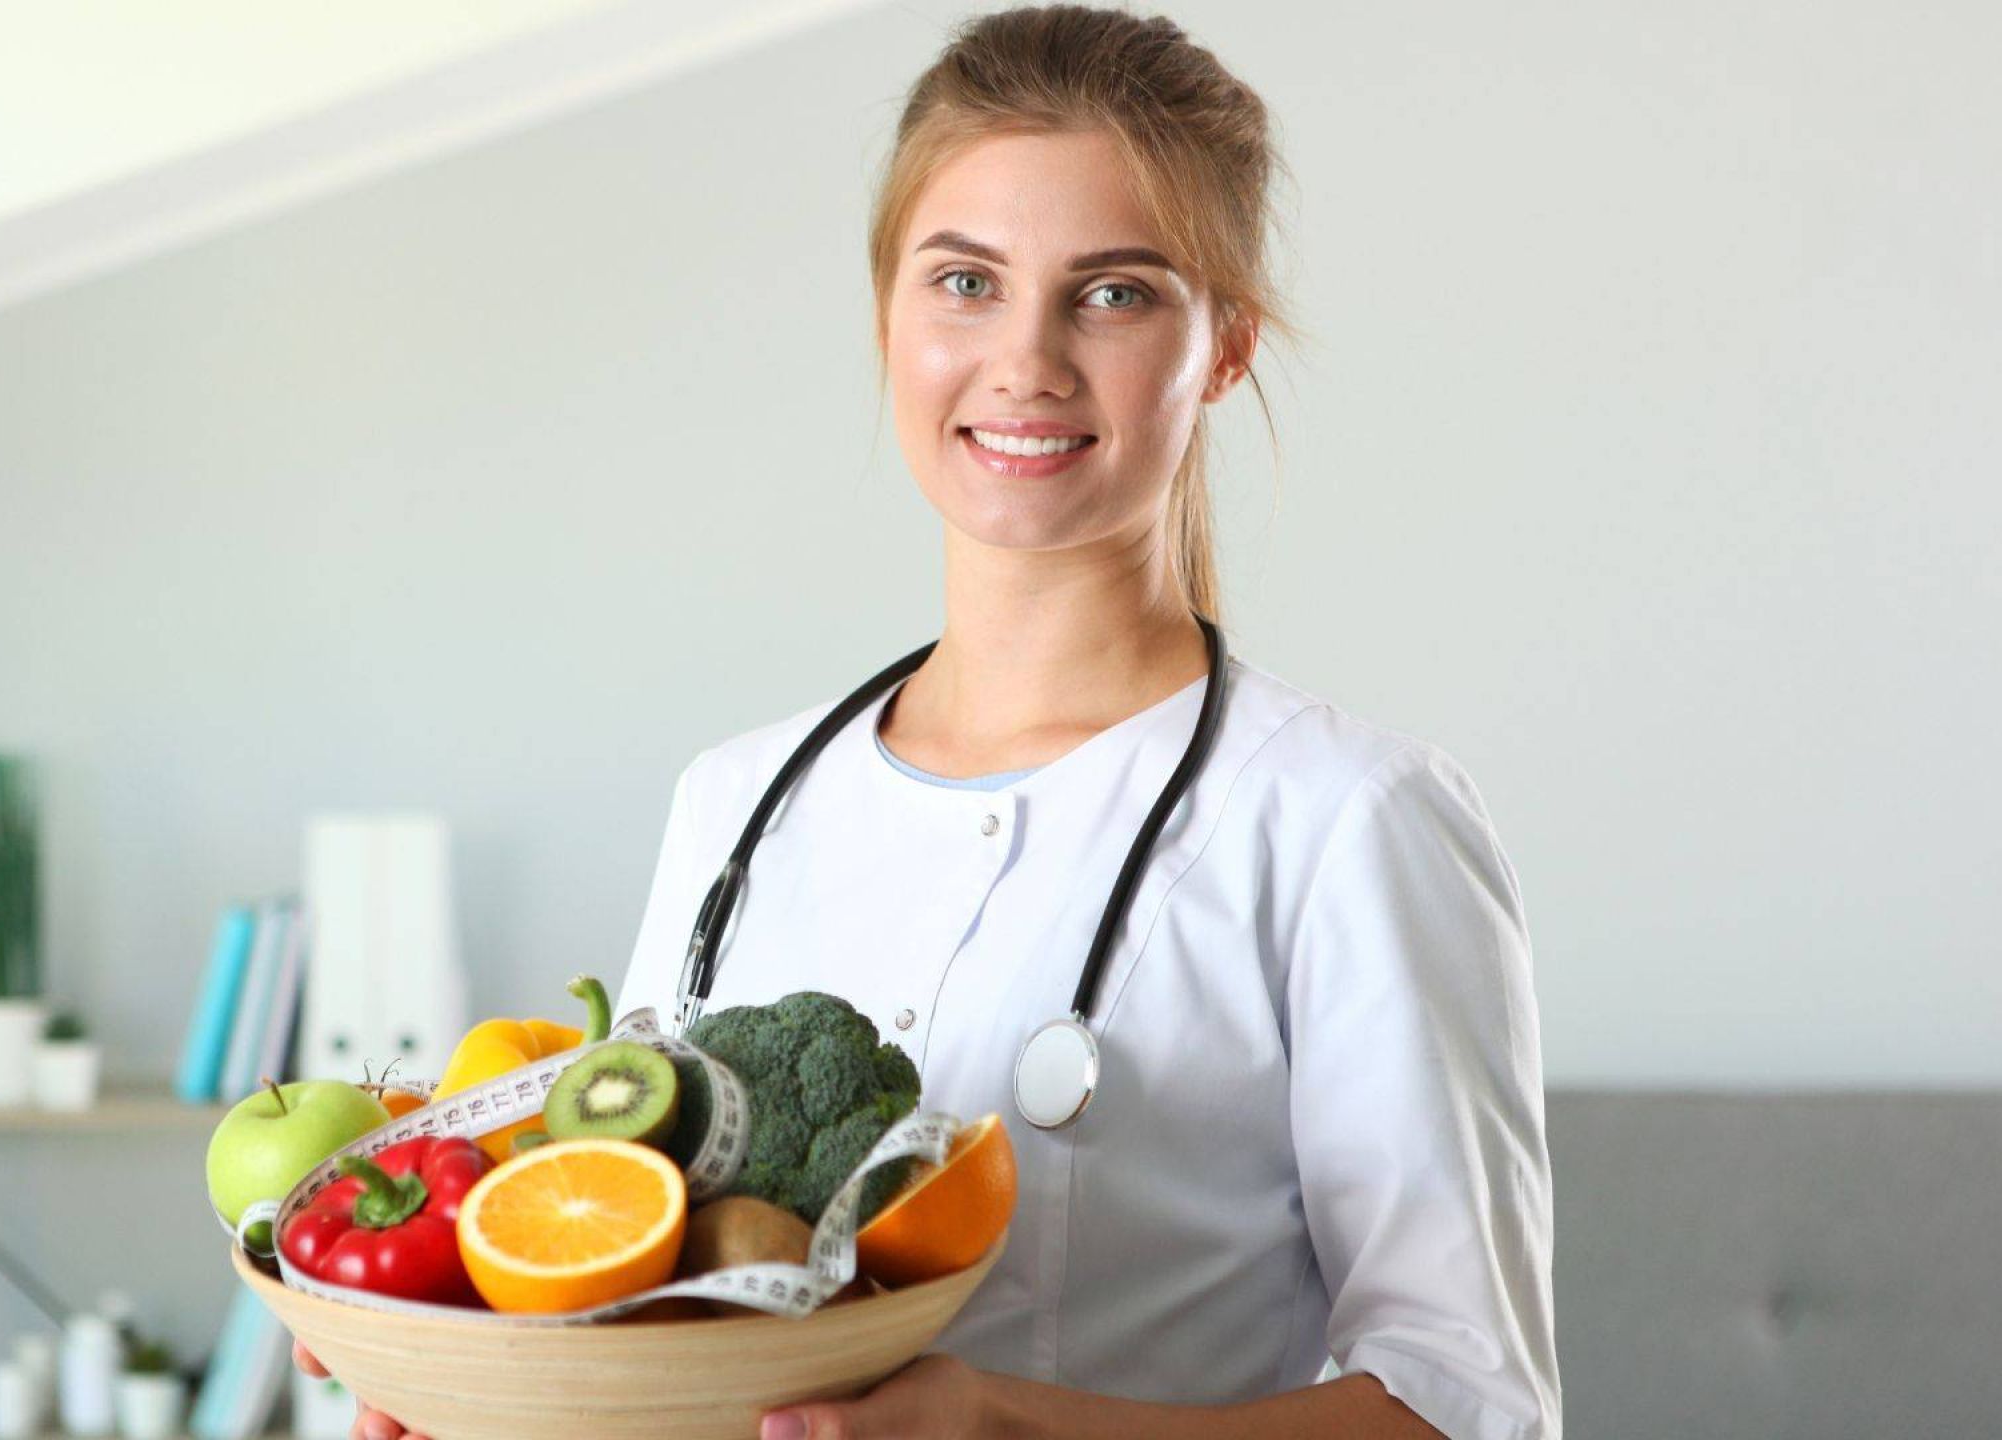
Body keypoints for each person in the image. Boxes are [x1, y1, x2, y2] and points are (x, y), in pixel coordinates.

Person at [297, 6, 1557, 1437]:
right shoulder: (736, 801)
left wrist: (1002, 1425)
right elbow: (645, 1293)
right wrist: (484, 1387)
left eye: (1114, 294)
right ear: (888, 316)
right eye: (965, 281)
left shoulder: (1345, 820)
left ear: (1225, 348)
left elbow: (1469, 1410)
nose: (1026, 361)